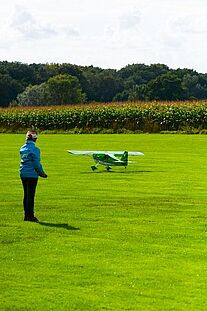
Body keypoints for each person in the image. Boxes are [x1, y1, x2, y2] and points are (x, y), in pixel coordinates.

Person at [20, 130, 47, 222]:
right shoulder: (35, 149)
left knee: (26, 195)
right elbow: (36, 163)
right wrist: (41, 173)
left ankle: (26, 215)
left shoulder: (23, 148)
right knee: (31, 195)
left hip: (23, 173)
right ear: (35, 138)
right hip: (32, 174)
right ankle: (30, 216)